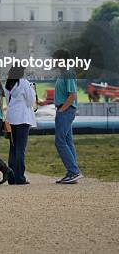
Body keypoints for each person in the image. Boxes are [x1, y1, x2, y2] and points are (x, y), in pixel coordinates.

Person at [53, 49, 83, 184]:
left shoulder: (68, 73)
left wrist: (61, 110)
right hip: (64, 109)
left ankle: (74, 171)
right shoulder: (63, 74)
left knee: (60, 141)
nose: (53, 61)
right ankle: (72, 172)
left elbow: (72, 95)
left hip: (65, 110)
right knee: (67, 141)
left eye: (55, 59)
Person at [5, 66, 36, 185]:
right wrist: (32, 89)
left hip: (12, 117)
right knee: (20, 149)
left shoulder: (8, 84)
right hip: (23, 118)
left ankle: (12, 177)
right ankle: (20, 177)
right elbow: (30, 101)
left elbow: (8, 102)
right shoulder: (24, 83)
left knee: (13, 148)